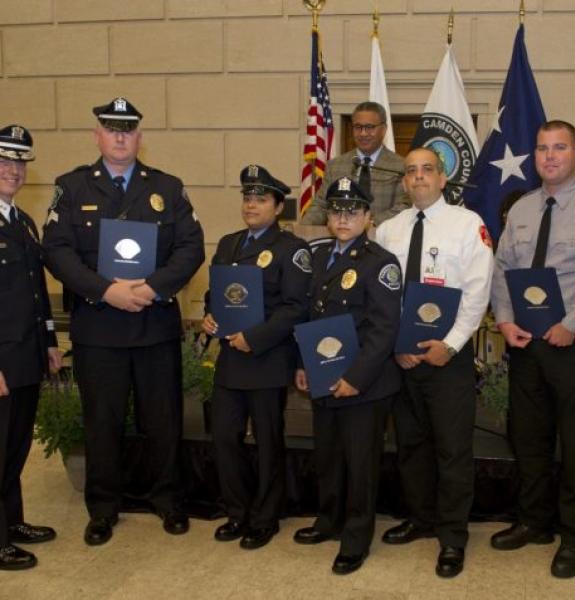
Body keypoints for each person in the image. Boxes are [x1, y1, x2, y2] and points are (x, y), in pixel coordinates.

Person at [42, 97, 205, 546]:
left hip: (154, 326)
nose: (119, 137)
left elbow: (191, 247)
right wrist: (104, 290)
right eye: (111, 129)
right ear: (97, 135)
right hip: (99, 328)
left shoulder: (168, 188)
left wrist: (152, 287)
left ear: (139, 138)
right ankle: (103, 507)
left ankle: (169, 500)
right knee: (102, 422)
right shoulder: (72, 187)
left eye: (128, 130)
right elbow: (56, 250)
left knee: (164, 420)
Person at [489, 120, 575, 578]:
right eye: (543, 148)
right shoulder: (523, 209)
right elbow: (502, 268)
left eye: (559, 148)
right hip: (526, 343)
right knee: (528, 437)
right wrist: (504, 319)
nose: (550, 156)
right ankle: (535, 521)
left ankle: (574, 535)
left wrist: (572, 323)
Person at [376, 148, 493, 578]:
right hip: (402, 358)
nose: (419, 177)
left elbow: (478, 291)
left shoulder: (468, 225)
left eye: (427, 170)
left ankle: (452, 536)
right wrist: (394, 346)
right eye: (411, 172)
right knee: (411, 445)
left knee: (452, 449)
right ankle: (421, 517)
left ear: (443, 179)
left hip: (448, 360)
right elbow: (381, 297)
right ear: (404, 182)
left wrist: (453, 343)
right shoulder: (388, 231)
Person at [293, 176, 402, 575]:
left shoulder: (381, 263)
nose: (343, 218)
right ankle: (329, 520)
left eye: (352, 211)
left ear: (368, 217)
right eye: (337, 210)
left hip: (364, 384)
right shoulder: (318, 257)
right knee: (329, 457)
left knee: (360, 463)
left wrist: (356, 376)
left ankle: (356, 537)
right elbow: (309, 317)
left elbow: (383, 328)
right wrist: (303, 364)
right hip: (323, 376)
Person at [202, 165, 311, 550]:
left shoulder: (292, 250)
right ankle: (236, 512)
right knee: (225, 438)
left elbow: (296, 307)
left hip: (266, 358)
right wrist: (210, 316)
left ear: (278, 206)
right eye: (247, 197)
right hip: (231, 358)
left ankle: (265, 518)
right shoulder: (229, 244)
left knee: (267, 441)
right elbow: (216, 294)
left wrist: (255, 337)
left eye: (260, 199)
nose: (251, 204)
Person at [0, 125, 62, 570]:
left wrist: (51, 342)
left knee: (16, 445)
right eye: (4, 162)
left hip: (26, 354)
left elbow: (36, 290)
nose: (13, 171)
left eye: (19, 164)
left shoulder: (20, 221)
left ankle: (12, 522)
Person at [301, 101, 409, 226]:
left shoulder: (400, 166)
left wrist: (368, 223)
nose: (363, 133)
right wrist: (303, 228)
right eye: (358, 127)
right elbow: (321, 205)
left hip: (383, 237)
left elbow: (404, 206)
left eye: (369, 127)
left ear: (384, 129)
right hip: (342, 237)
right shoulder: (335, 166)